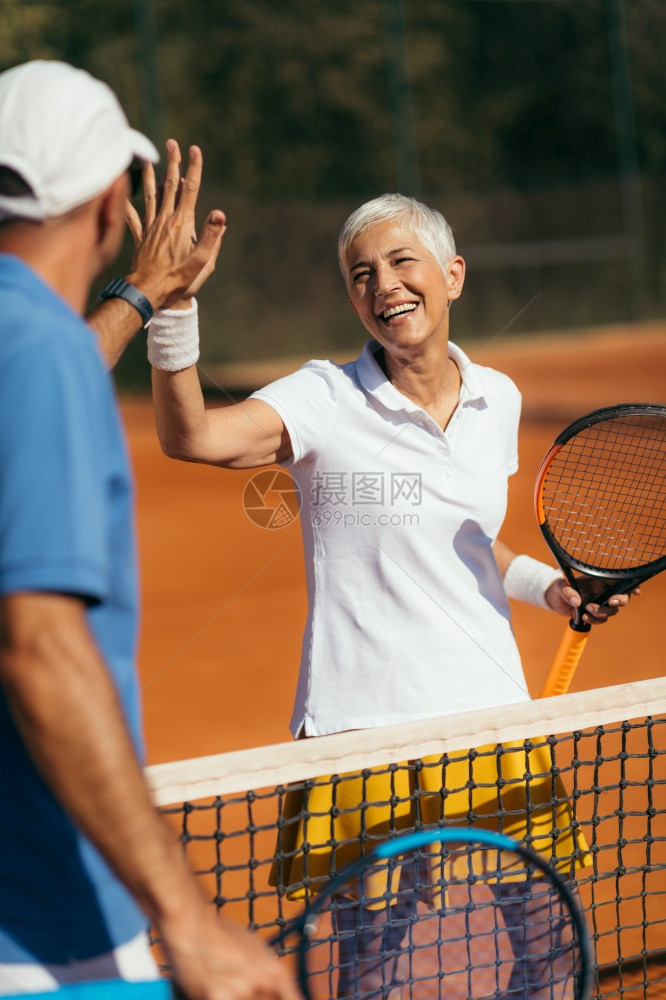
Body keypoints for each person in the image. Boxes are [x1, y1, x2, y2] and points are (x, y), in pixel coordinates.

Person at [138, 176, 635, 996]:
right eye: (360, 274)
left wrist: (552, 587)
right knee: (371, 970)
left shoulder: (497, 399)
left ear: (453, 275)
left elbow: (471, 541)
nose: (382, 286)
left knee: (546, 948)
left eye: (402, 262)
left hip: (491, 718)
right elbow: (191, 436)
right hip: (364, 728)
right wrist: (176, 309)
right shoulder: (323, 398)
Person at [0, 59, 300, 1000]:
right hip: (50, 930)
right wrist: (187, 919)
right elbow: (41, 651)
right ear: (103, 202)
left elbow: (43, 378)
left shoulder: (27, 346)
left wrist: (141, 297)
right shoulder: (38, 349)